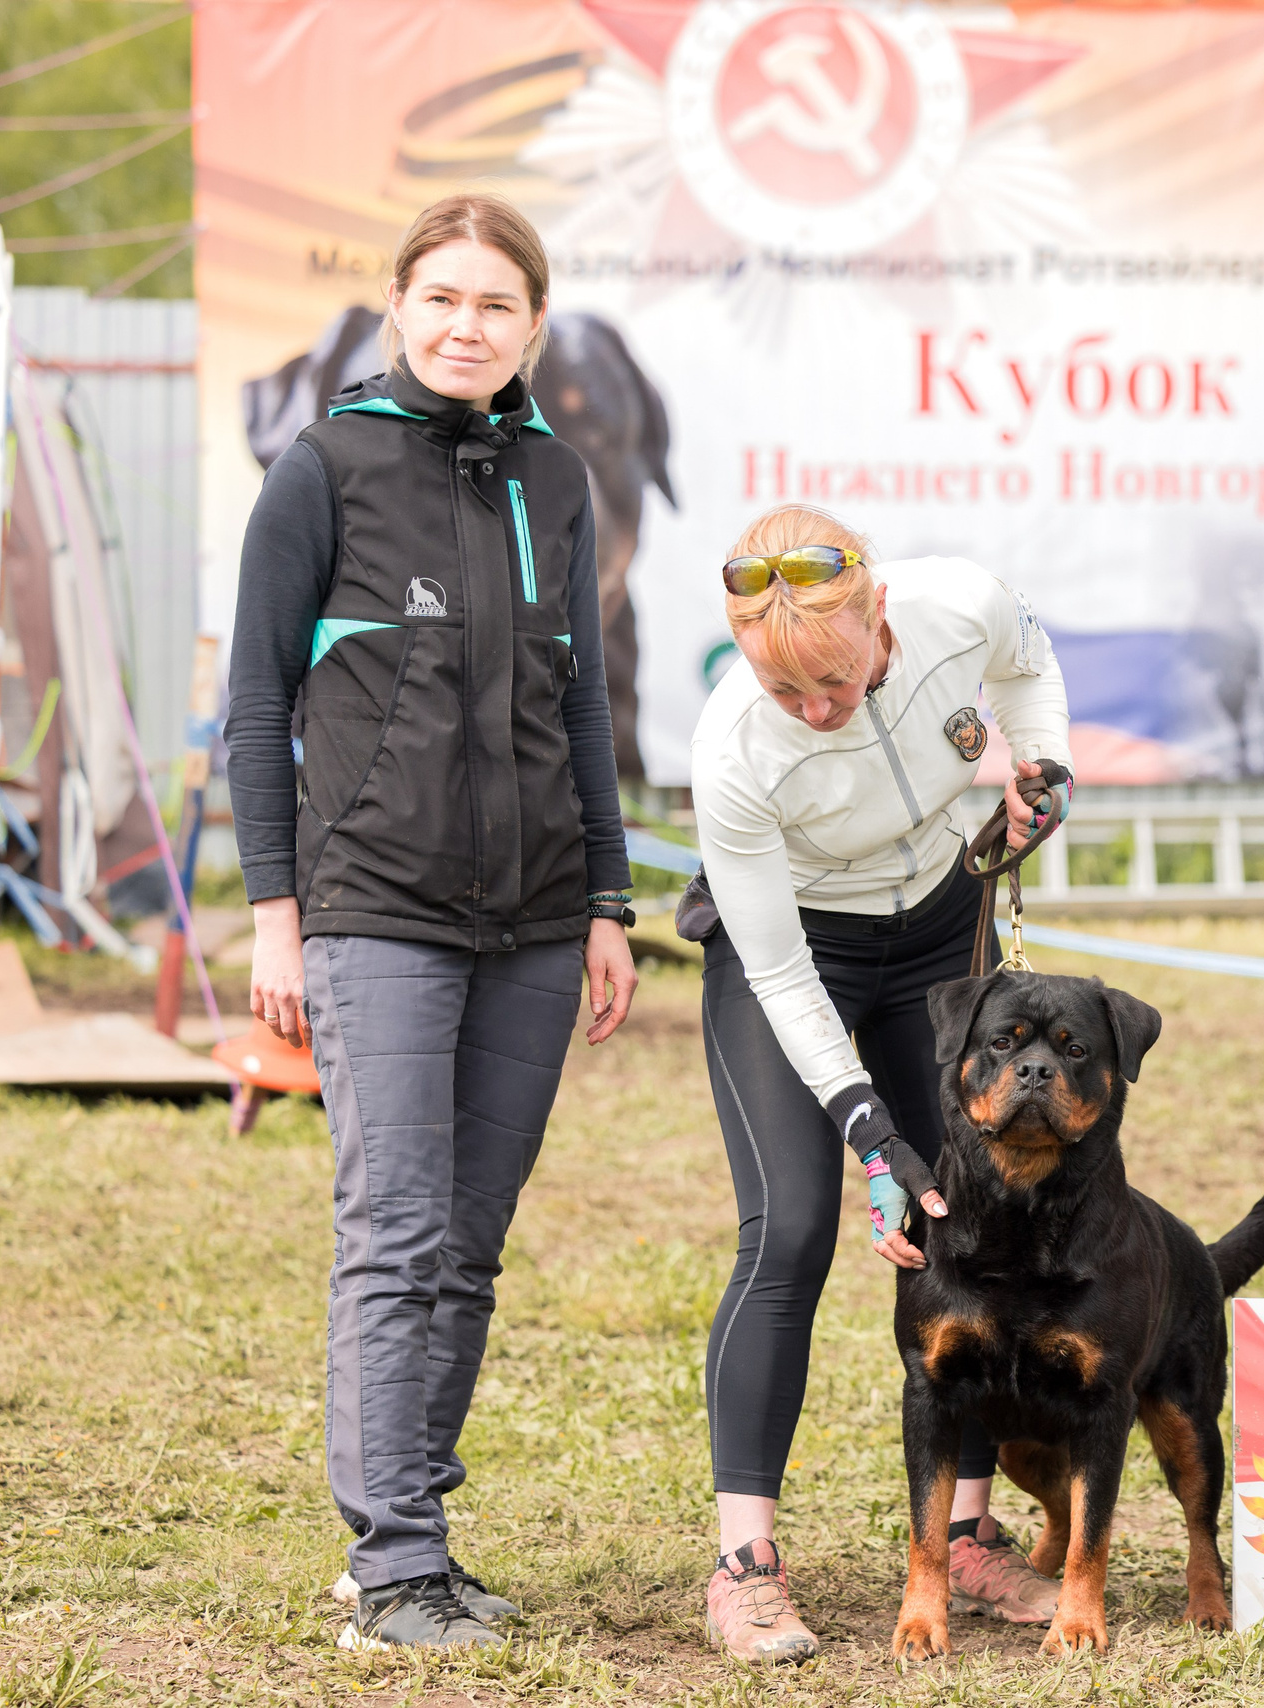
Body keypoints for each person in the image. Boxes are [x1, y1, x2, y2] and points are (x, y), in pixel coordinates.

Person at [228, 193, 638, 1650]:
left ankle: (415, 1537)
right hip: (374, 913)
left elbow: (579, 699)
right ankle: (393, 1563)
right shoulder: (326, 468)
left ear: (533, 322)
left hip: (534, 921)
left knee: (468, 1240)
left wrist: (605, 900)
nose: (469, 326)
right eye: (444, 298)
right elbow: (258, 706)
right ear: (400, 306)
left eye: (498, 305)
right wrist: (277, 914)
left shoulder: (558, 480)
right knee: (394, 1233)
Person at [682, 503, 1076, 1663]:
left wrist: (1042, 765)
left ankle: (964, 1535)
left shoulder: (958, 601)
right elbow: (782, 977)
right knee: (791, 1232)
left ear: (880, 614)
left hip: (940, 928)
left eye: (836, 682)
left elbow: (1032, 665)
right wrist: (868, 1131)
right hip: (794, 955)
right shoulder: (732, 748)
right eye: (783, 688)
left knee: (974, 1227)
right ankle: (744, 1564)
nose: (812, 708)